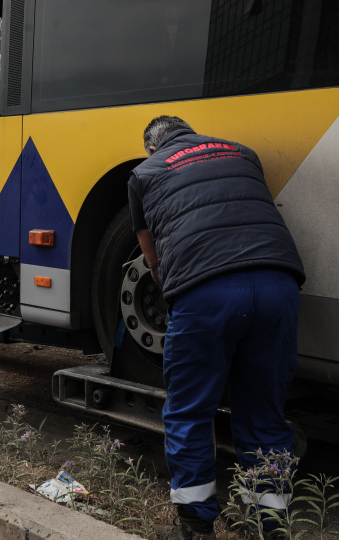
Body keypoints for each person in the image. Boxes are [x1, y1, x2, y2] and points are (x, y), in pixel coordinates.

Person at [127, 116, 305, 540]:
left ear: (152, 147)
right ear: (191, 133)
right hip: (279, 283)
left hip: (207, 291)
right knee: (265, 412)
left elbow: (151, 257)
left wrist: (167, 282)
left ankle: (195, 527)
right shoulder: (242, 152)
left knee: (189, 409)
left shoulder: (145, 173)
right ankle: (271, 526)